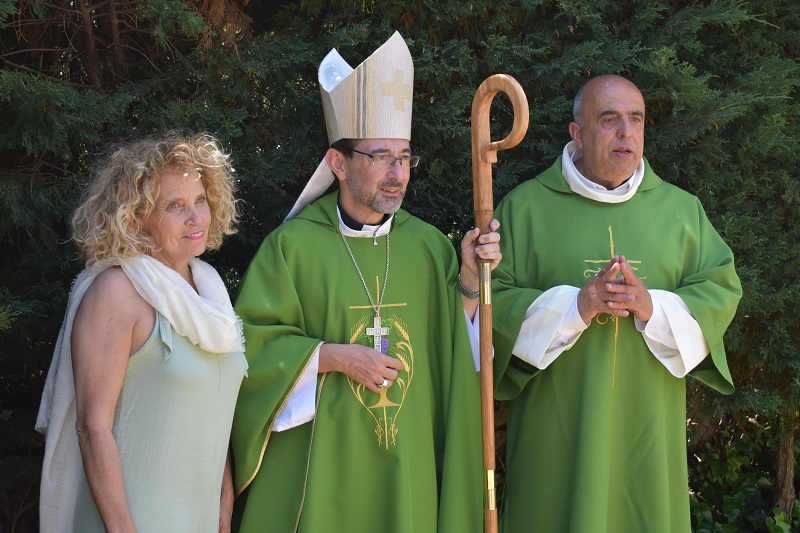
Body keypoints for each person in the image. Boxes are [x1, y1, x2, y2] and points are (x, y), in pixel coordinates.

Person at [231, 32, 500, 532]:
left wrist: (467, 282)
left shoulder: (429, 247)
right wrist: (331, 357)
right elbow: (251, 352)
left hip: (410, 468)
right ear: (338, 163)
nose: (397, 173)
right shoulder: (291, 248)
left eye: (405, 157)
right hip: (325, 471)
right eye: (380, 157)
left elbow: (452, 357)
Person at [491, 75, 742, 533]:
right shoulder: (523, 209)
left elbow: (720, 290)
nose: (626, 132)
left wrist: (654, 309)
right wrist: (576, 307)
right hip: (556, 435)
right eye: (609, 120)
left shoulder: (681, 213)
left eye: (636, 119)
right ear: (577, 133)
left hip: (647, 431)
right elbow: (491, 302)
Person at [35, 134, 248, 532]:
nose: (196, 217)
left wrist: (225, 493)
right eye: (174, 206)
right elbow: (91, 427)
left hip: (198, 518)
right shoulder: (117, 292)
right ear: (134, 217)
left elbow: (215, 405)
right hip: (132, 519)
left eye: (200, 200)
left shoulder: (210, 291)